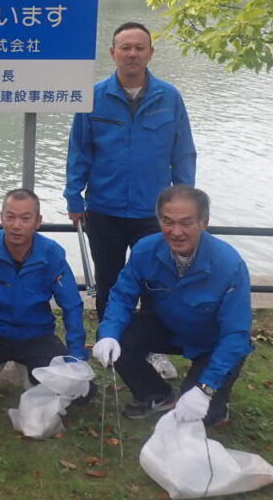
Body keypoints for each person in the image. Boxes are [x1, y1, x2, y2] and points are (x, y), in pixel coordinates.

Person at [65, 21, 197, 320]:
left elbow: (184, 153)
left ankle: (151, 345)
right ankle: (107, 339)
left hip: (154, 211)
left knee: (156, 280)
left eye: (139, 48)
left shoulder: (169, 97)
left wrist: (186, 201)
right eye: (126, 48)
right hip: (103, 209)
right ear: (113, 53)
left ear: (151, 53)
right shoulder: (94, 97)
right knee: (108, 281)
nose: (132, 54)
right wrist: (74, 197)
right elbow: (79, 151)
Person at [92, 185, 252, 427]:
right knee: (117, 337)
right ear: (158, 220)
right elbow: (122, 296)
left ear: (204, 222)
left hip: (212, 342)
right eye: (168, 221)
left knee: (195, 418)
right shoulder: (145, 250)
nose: (176, 232)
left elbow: (236, 334)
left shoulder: (229, 265)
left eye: (186, 223)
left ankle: (215, 398)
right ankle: (156, 394)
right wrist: (109, 335)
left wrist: (205, 388)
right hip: (169, 327)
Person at [0, 189, 88, 393]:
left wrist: (76, 356)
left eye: (25, 218)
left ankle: (32, 372)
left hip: (36, 334)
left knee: (80, 392)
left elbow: (72, 305)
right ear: (1, 218)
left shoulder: (52, 254)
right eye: (10, 217)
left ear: (38, 221)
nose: (16, 225)